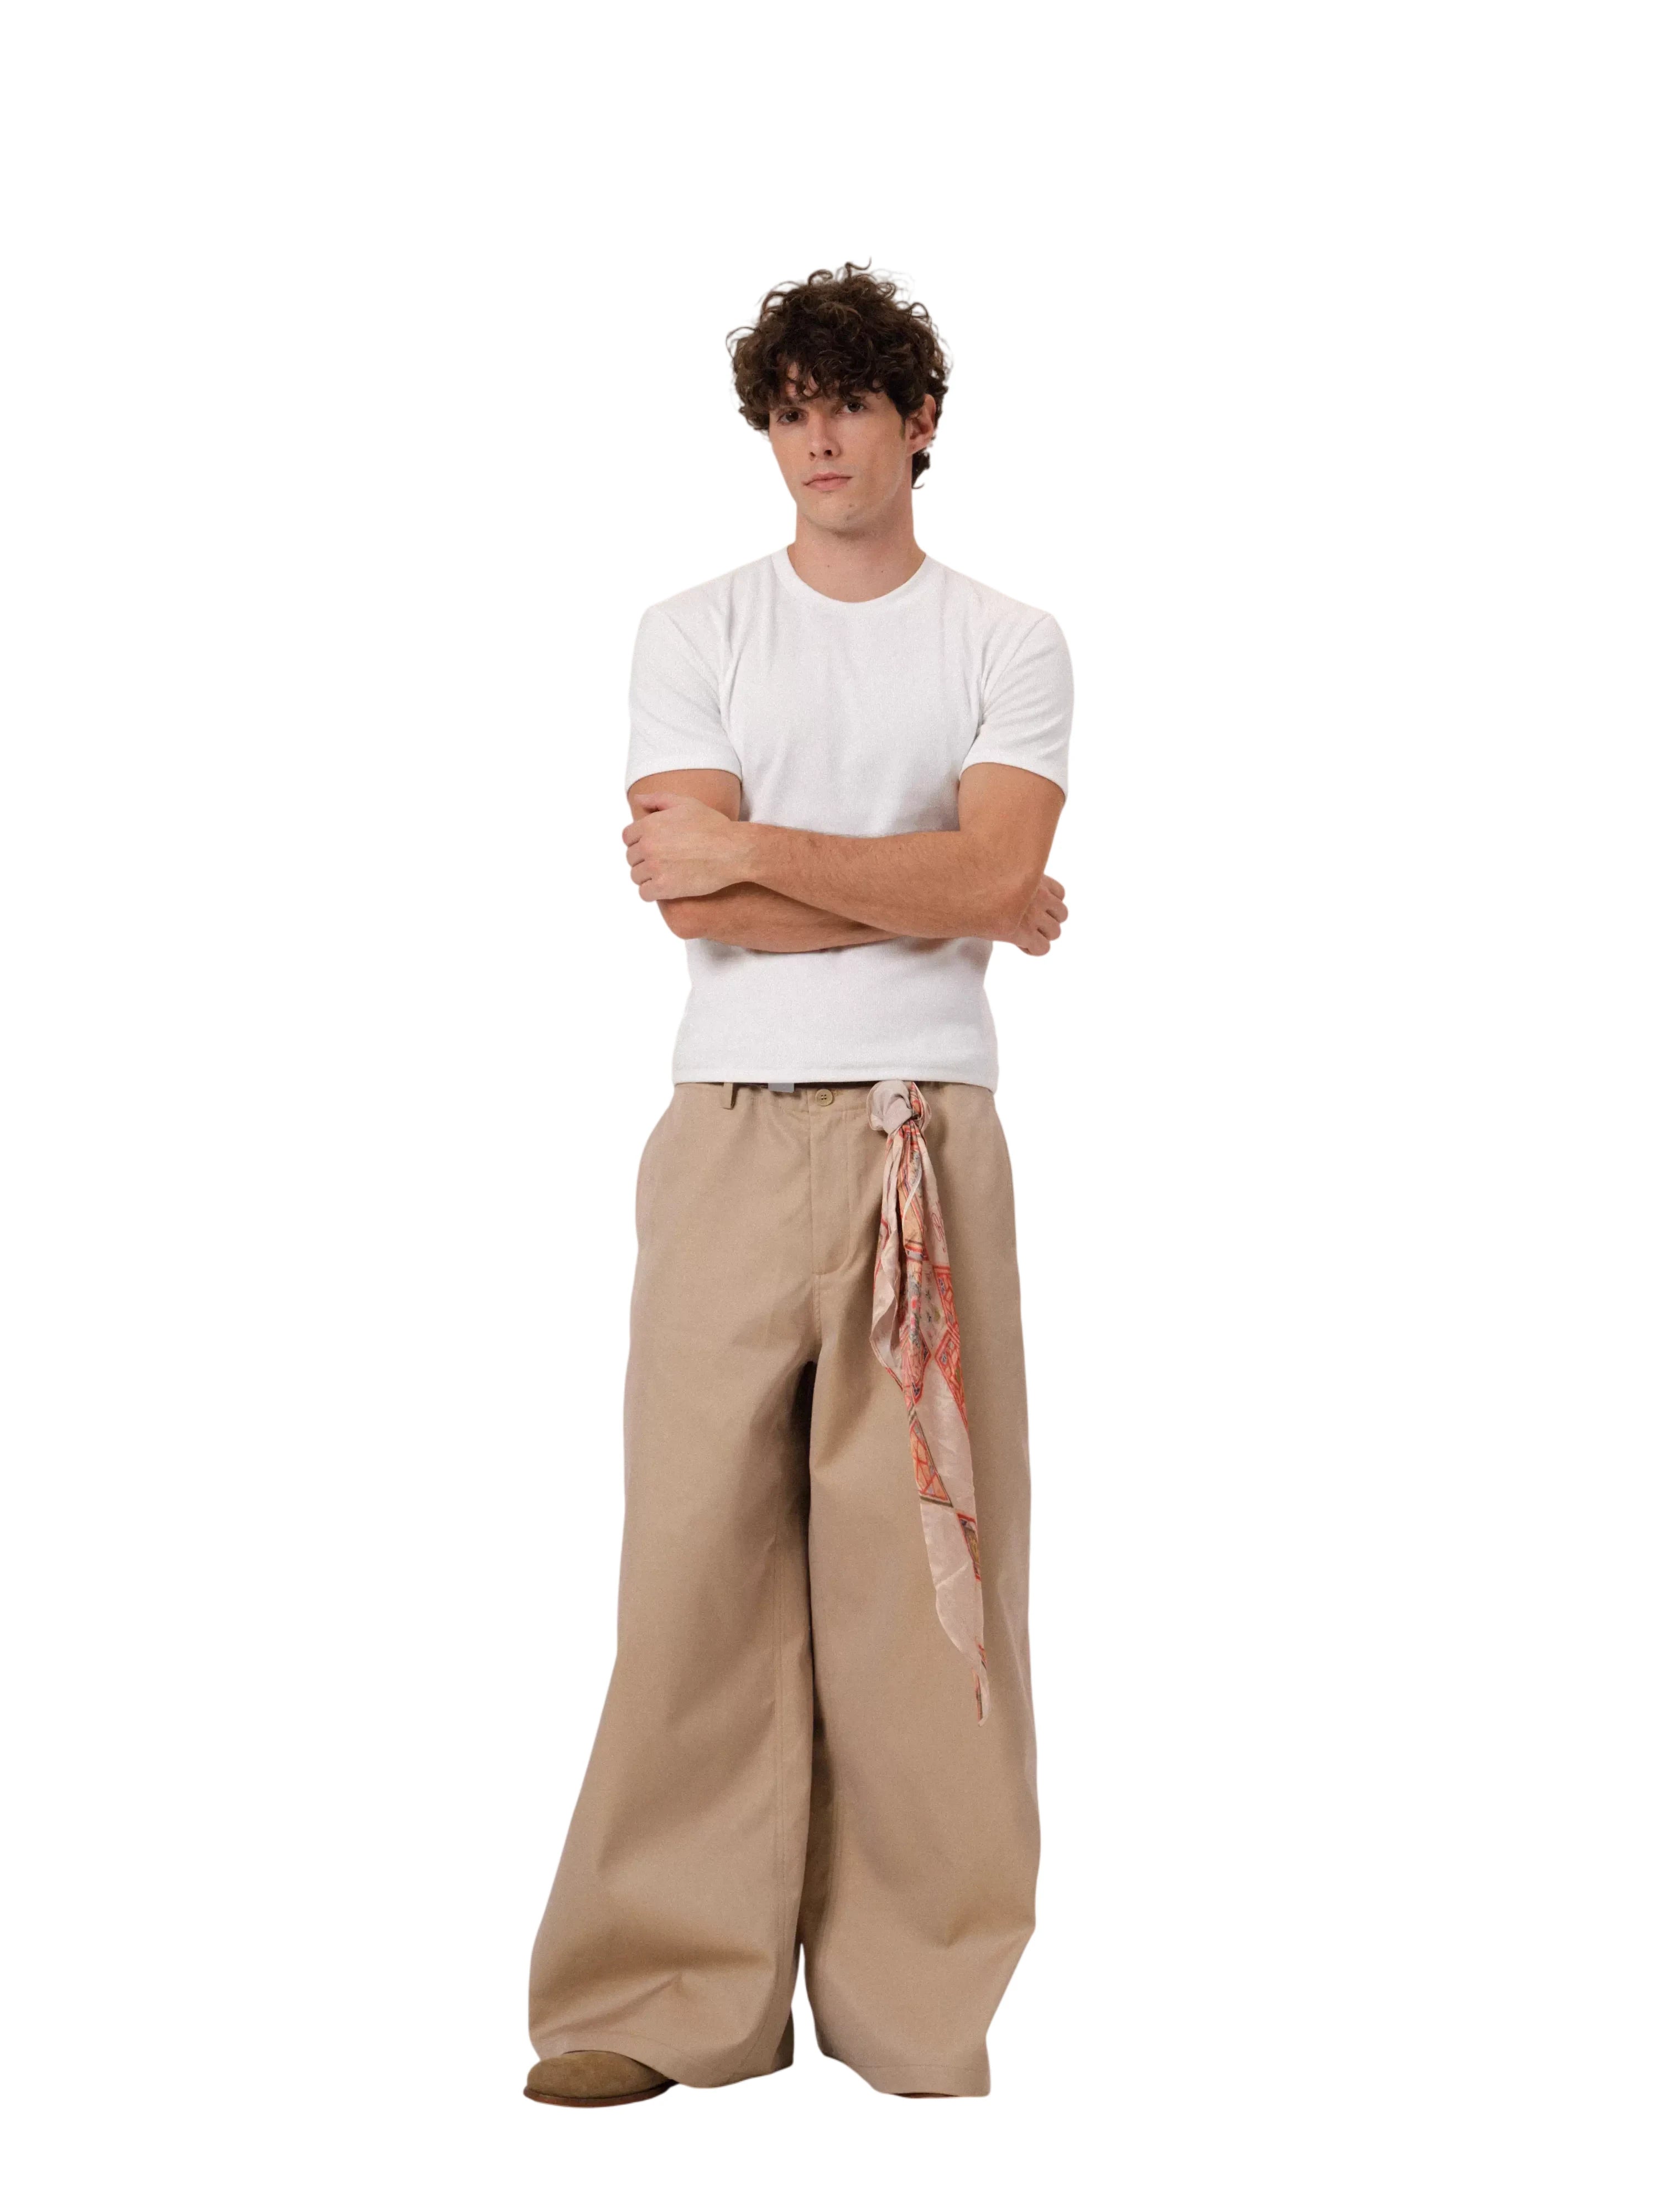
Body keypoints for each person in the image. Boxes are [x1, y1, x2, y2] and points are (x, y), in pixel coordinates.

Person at [524, 263, 1073, 2106]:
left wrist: (773, 850)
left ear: (923, 422)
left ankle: (916, 2001)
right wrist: (946, 886)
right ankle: (661, 1995)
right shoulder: (696, 629)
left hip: (930, 1133)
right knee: (695, 1558)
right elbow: (703, 908)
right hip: (731, 1130)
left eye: (851, 402)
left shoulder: (1008, 641)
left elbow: (971, 871)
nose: (820, 437)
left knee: (931, 1577)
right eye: (790, 409)